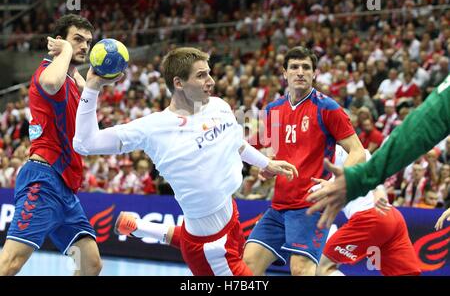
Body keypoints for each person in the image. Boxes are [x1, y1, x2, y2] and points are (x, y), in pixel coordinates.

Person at [73, 47, 298, 276]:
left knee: (194, 234)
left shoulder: (219, 106)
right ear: (179, 83)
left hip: (232, 218)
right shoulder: (153, 128)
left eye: (209, 73)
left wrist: (265, 163)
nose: (210, 81)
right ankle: (142, 228)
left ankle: (140, 227)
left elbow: (235, 143)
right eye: (201, 75)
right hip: (210, 251)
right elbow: (85, 143)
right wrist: (92, 88)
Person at [242, 46, 366, 276]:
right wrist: (267, 166)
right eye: (294, 67)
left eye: (306, 67)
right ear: (284, 73)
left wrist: (335, 183)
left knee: (300, 270)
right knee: (247, 266)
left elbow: (357, 152)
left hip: (311, 206)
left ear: (314, 73)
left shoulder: (328, 108)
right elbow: (261, 149)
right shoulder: (273, 109)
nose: (300, 72)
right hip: (279, 205)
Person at [0, 14, 103, 275]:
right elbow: (50, 82)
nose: (83, 46)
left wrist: (90, 86)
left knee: (90, 264)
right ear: (59, 43)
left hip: (66, 190)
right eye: (76, 40)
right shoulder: (47, 72)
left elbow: (89, 132)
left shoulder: (72, 81)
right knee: (10, 263)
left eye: (87, 42)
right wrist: (65, 51)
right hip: (43, 181)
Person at [307, 75, 450, 229]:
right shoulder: (316, 153)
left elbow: (417, 130)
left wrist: (367, 186)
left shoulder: (344, 150)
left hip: (368, 217)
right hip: (375, 216)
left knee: (326, 252)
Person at [315, 146, 421, 276]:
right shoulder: (355, 150)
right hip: (391, 215)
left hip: (369, 218)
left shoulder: (335, 150)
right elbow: (372, 166)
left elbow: (364, 158)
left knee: (323, 268)